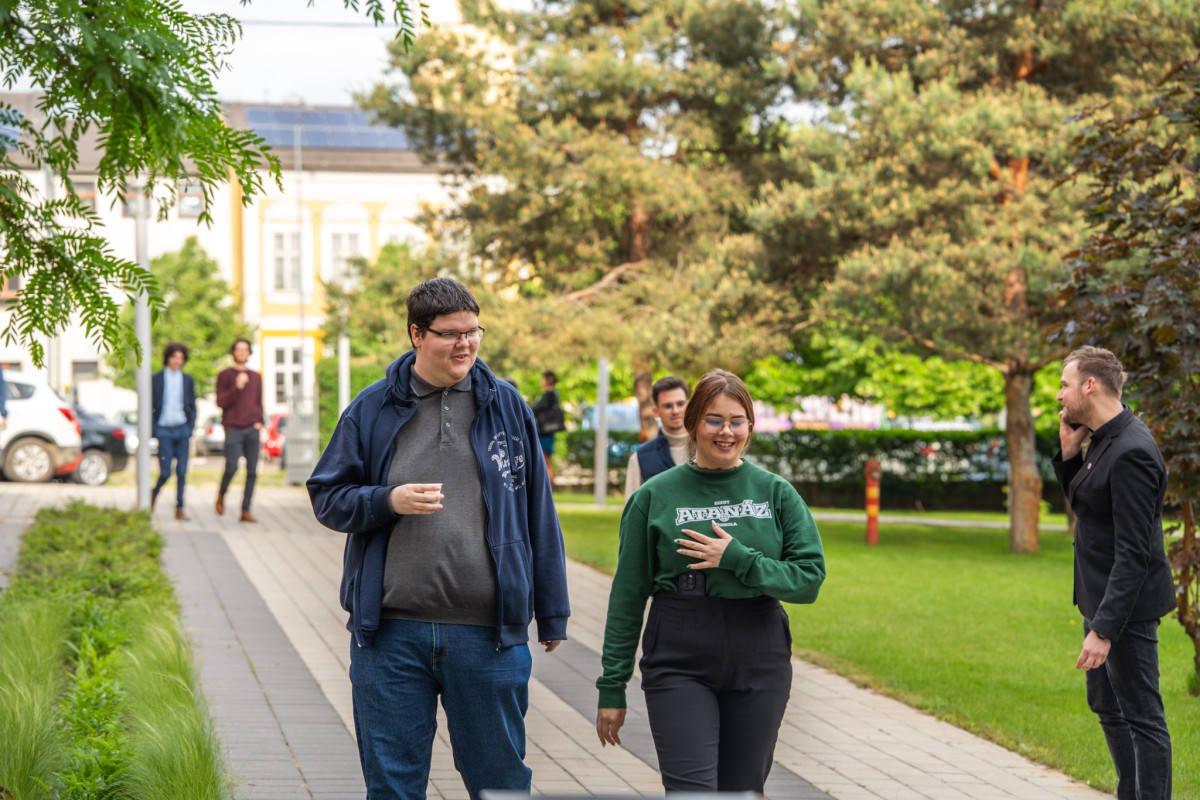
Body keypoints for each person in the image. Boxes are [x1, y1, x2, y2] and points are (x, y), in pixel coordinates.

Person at [307, 277, 570, 800]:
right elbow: (327, 496)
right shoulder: (372, 407)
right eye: (450, 334)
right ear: (417, 334)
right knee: (393, 789)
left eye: (473, 332)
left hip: (489, 637)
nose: (465, 345)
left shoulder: (507, 407)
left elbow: (539, 511)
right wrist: (387, 500)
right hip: (390, 636)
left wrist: (552, 610)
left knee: (501, 786)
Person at [596, 368, 826, 792]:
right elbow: (628, 595)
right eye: (714, 420)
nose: (726, 432)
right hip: (679, 652)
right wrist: (612, 685)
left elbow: (809, 579)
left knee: (743, 791)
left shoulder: (776, 493)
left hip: (759, 648)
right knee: (691, 792)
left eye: (737, 421)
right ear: (692, 423)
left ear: (750, 427)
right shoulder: (653, 496)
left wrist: (739, 559)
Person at [1053, 345, 1174, 800]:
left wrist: (1104, 630)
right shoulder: (1102, 439)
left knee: (1142, 717)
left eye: (1064, 384)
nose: (1059, 395)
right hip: (1101, 600)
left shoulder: (1131, 452)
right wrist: (1070, 455)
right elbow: (1091, 509)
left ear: (1090, 385)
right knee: (1107, 705)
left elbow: (1134, 553)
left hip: (1127, 611)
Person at [216, 337, 264, 523]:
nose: (242, 352)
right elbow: (221, 402)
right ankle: (221, 494)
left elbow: (258, 402)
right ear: (233, 352)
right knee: (231, 466)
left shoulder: (256, 377)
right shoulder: (225, 375)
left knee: (252, 471)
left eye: (245, 349)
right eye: (239, 349)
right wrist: (237, 387)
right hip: (233, 428)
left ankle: (245, 510)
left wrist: (259, 420)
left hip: (252, 428)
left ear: (249, 352)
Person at [150, 342, 197, 519]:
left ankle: (180, 507)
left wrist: (190, 427)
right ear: (168, 358)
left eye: (181, 358)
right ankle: (153, 493)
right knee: (165, 472)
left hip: (182, 429)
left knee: (182, 471)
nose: (177, 361)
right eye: (174, 357)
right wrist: (154, 429)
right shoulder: (156, 379)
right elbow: (150, 405)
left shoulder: (187, 380)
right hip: (164, 431)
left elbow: (192, 405)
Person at [624, 375, 689, 498]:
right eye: (668, 406)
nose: (675, 411)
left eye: (680, 404)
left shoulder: (707, 450)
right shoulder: (640, 458)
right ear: (656, 411)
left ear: (688, 405)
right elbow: (631, 507)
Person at [531, 370, 565, 485]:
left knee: (545, 459)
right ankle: (550, 483)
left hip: (544, 432)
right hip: (547, 432)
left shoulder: (549, 394)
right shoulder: (554, 393)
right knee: (546, 458)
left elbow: (536, 409)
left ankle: (549, 484)